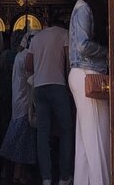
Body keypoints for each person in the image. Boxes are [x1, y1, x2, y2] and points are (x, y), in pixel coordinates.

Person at [68, 0, 110, 185]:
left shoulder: (84, 8)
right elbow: (82, 45)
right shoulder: (84, 7)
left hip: (84, 73)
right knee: (97, 137)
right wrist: (107, 51)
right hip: (87, 72)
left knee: (86, 140)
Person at [27, 15, 74, 185]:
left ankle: (46, 178)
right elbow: (69, 62)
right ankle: (64, 176)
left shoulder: (37, 38)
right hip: (58, 85)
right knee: (66, 130)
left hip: (40, 88)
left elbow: (28, 65)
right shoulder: (64, 34)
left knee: (42, 133)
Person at [0, 30, 38, 184]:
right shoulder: (27, 56)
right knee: (20, 138)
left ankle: (11, 171)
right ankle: (17, 173)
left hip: (17, 98)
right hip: (25, 101)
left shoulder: (18, 56)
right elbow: (31, 79)